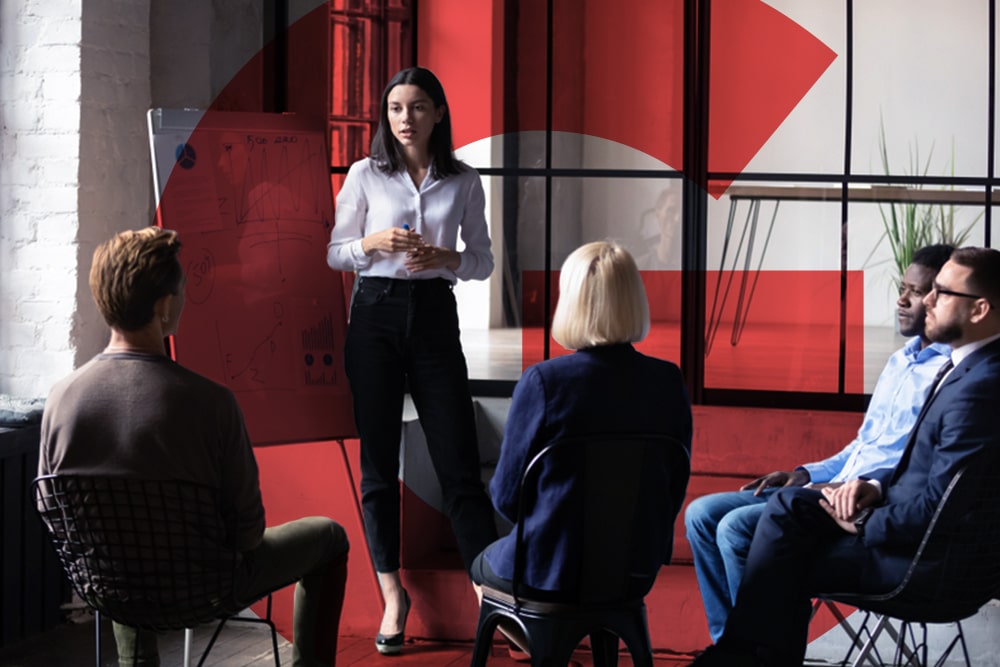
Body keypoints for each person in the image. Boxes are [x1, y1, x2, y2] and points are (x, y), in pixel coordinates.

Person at [38, 227, 350, 667]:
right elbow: (247, 534)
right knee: (329, 538)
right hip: (205, 589)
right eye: (181, 291)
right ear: (164, 307)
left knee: (124, 544)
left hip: (110, 588)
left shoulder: (61, 399)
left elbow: (59, 514)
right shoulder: (210, 402)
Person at [688, 246, 1000, 667]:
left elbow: (939, 506)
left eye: (939, 292)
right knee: (759, 508)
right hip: (878, 505)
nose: (924, 300)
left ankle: (743, 654)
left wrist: (861, 518)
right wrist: (858, 484)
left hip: (917, 564)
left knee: (762, 530)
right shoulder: (962, 371)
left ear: (980, 309)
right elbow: (892, 457)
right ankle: (743, 650)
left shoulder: (978, 388)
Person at [325, 66, 498, 654]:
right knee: (378, 463)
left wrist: (446, 256)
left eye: (418, 107)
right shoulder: (365, 175)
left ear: (438, 113)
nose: (405, 118)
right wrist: (369, 245)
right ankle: (392, 595)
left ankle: (485, 594)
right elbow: (333, 253)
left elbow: (482, 262)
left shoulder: (464, 182)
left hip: (432, 315)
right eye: (396, 107)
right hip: (371, 315)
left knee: (458, 462)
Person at [471, 240, 693, 607]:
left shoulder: (544, 382)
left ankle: (544, 646)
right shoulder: (668, 381)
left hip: (551, 568)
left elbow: (508, 498)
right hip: (634, 569)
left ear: (571, 301)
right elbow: (673, 487)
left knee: (480, 566)